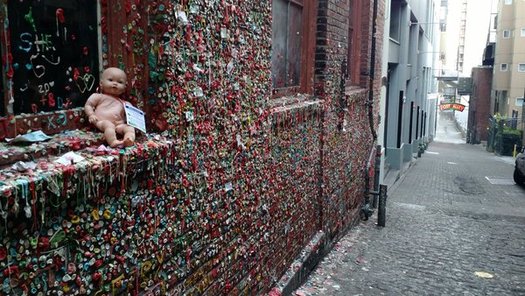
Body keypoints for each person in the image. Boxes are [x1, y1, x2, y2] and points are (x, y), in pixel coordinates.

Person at [84, 67, 136, 147]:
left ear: (125, 88)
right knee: (109, 125)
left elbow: (132, 114)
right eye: (111, 80)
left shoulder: (124, 103)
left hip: (119, 124)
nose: (115, 83)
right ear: (101, 83)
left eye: (120, 82)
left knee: (129, 128)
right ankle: (113, 142)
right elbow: (88, 105)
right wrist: (91, 114)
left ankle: (128, 139)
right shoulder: (99, 96)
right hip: (101, 121)